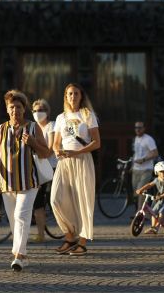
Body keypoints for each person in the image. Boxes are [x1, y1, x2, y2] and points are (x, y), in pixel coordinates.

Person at [0, 89, 50, 271]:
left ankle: (19, 255)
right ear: (7, 110)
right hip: (6, 182)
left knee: (21, 216)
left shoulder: (33, 127)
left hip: (28, 182)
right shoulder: (0, 129)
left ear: (24, 109)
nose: (15, 110)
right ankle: (21, 254)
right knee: (13, 220)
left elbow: (46, 153)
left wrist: (33, 143)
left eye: (18, 106)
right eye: (11, 107)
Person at [51, 83, 101, 257]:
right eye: (70, 94)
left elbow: (96, 142)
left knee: (83, 201)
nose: (73, 97)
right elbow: (56, 142)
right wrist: (57, 150)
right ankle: (69, 235)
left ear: (81, 96)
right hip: (64, 162)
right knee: (56, 199)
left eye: (76, 94)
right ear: (66, 96)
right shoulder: (60, 118)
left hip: (82, 160)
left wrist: (77, 152)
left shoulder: (88, 115)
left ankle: (82, 242)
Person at [30, 98, 57, 244]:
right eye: (34, 111)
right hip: (38, 167)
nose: (37, 113)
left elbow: (51, 149)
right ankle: (41, 234)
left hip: (52, 167)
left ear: (47, 112)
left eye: (40, 110)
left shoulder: (51, 125)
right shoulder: (33, 127)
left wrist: (38, 149)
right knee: (38, 201)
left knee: (56, 200)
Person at [135, 161, 164, 234]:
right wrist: (141, 189)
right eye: (162, 172)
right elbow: (149, 184)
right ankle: (153, 227)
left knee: (162, 212)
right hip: (161, 199)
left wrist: (160, 196)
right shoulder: (157, 180)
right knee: (153, 211)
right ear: (157, 172)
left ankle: (157, 226)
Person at [131, 121, 158, 211]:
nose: (137, 129)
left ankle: (139, 213)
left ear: (144, 128)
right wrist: (132, 166)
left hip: (146, 169)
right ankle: (143, 211)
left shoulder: (148, 139)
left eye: (139, 127)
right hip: (136, 169)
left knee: (141, 191)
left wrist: (143, 160)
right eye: (136, 127)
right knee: (136, 192)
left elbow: (155, 153)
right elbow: (136, 153)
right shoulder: (136, 139)